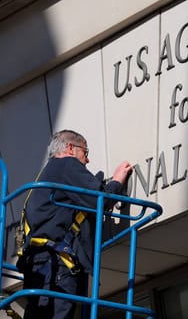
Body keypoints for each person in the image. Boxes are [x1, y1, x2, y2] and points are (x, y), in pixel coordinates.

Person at [19, 129, 132, 319]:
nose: (87, 160)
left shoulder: (46, 178)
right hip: (57, 268)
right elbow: (100, 200)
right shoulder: (66, 164)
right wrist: (116, 182)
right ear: (71, 148)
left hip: (40, 268)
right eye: (85, 152)